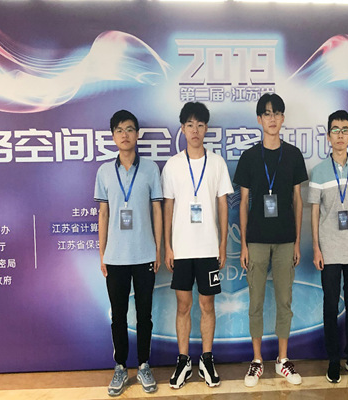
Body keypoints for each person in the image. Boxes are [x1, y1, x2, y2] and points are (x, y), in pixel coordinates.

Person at [233, 93, 308, 387]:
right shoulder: (250, 157)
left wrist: (298, 240)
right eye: (267, 113)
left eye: (277, 113)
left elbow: (298, 201)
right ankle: (256, 361)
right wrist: (243, 244)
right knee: (256, 301)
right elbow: (243, 202)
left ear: (283, 118)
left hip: (286, 239)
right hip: (257, 241)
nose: (272, 118)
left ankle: (282, 360)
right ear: (259, 119)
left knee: (284, 300)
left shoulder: (293, 155)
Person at [162, 102, 233, 389]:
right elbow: (168, 206)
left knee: (207, 304)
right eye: (190, 125)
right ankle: (183, 361)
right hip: (181, 249)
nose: (195, 130)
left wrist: (223, 245)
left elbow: (223, 204)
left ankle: (206, 359)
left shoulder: (216, 163)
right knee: (183, 305)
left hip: (207, 249)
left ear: (206, 129)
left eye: (200, 125)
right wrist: (168, 246)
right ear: (182, 128)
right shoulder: (172, 165)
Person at [94, 110, 163, 396]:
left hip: (145, 254)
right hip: (115, 257)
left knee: (145, 315)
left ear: (137, 134)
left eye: (130, 129)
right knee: (118, 316)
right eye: (119, 130)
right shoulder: (104, 172)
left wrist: (158, 249)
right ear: (113, 136)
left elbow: (157, 209)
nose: (125, 135)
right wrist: (102, 253)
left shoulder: (150, 169)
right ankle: (121, 367)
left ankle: (144, 364)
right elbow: (103, 213)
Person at [308, 110, 348, 384]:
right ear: (328, 135)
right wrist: (317, 247)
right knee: (330, 306)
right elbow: (314, 212)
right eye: (335, 130)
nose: (340, 135)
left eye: (345, 130)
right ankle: (333, 359)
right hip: (330, 250)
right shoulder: (319, 171)